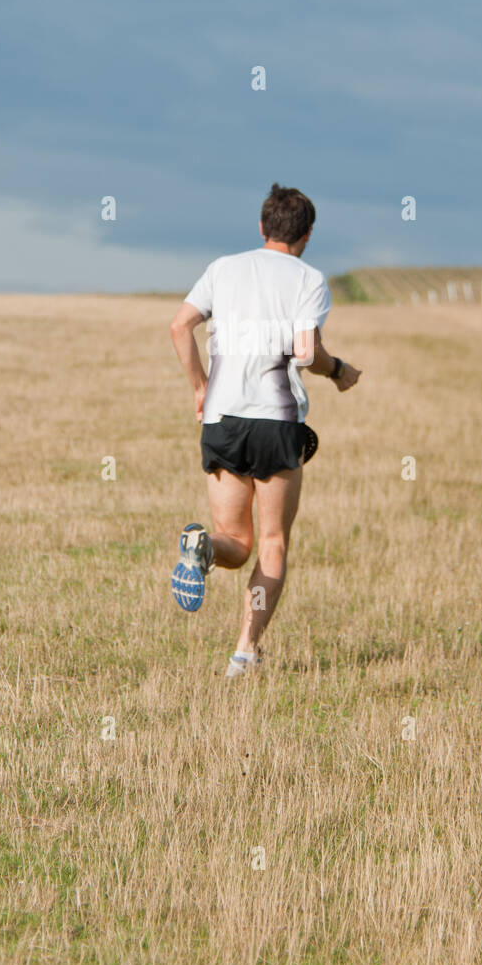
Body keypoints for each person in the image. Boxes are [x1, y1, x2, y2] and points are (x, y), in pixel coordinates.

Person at [168, 183, 361, 676]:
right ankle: (244, 652)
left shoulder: (223, 268)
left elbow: (178, 326)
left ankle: (203, 548)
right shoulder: (309, 280)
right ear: (308, 234)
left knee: (235, 539)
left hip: (222, 419)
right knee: (272, 543)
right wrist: (338, 369)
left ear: (262, 227)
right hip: (276, 422)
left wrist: (199, 388)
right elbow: (304, 352)